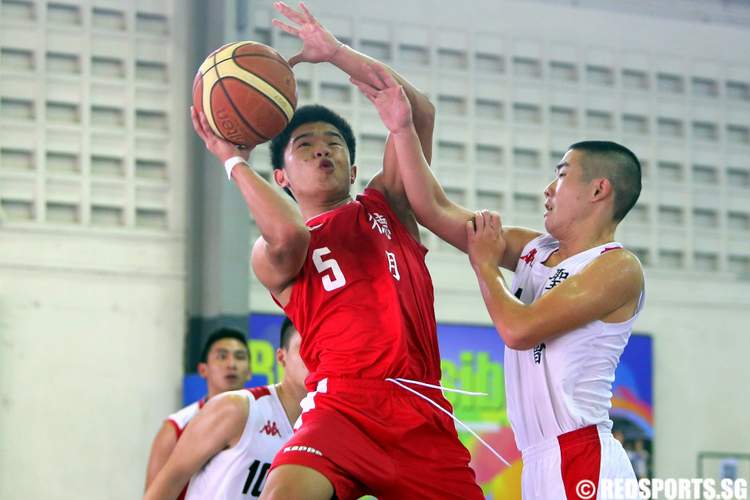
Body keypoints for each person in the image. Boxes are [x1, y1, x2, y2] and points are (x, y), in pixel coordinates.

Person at [191, 3, 483, 499]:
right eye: (304, 146)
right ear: (280, 177)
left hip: (421, 411)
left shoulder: (386, 202)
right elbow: (289, 235)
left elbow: (419, 113)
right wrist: (232, 162)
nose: (322, 149)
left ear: (351, 170)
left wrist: (336, 53)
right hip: (342, 407)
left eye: (333, 144)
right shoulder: (273, 253)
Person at [354, 66, 645, 499]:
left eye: (562, 175)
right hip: (538, 460)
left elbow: (519, 330)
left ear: (599, 190)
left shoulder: (618, 267)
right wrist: (402, 129)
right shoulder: (535, 249)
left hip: (584, 455)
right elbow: (431, 207)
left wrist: (485, 266)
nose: (548, 188)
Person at [144, 319, 308, 500]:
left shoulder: (329, 427)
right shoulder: (233, 408)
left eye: (239, 357)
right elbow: (164, 486)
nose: (231, 364)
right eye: (305, 347)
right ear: (281, 357)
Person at [144, 328, 251, 498]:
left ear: (249, 372)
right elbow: (154, 493)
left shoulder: (266, 421)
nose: (232, 364)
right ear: (203, 370)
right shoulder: (176, 427)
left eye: (239, 357)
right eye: (222, 356)